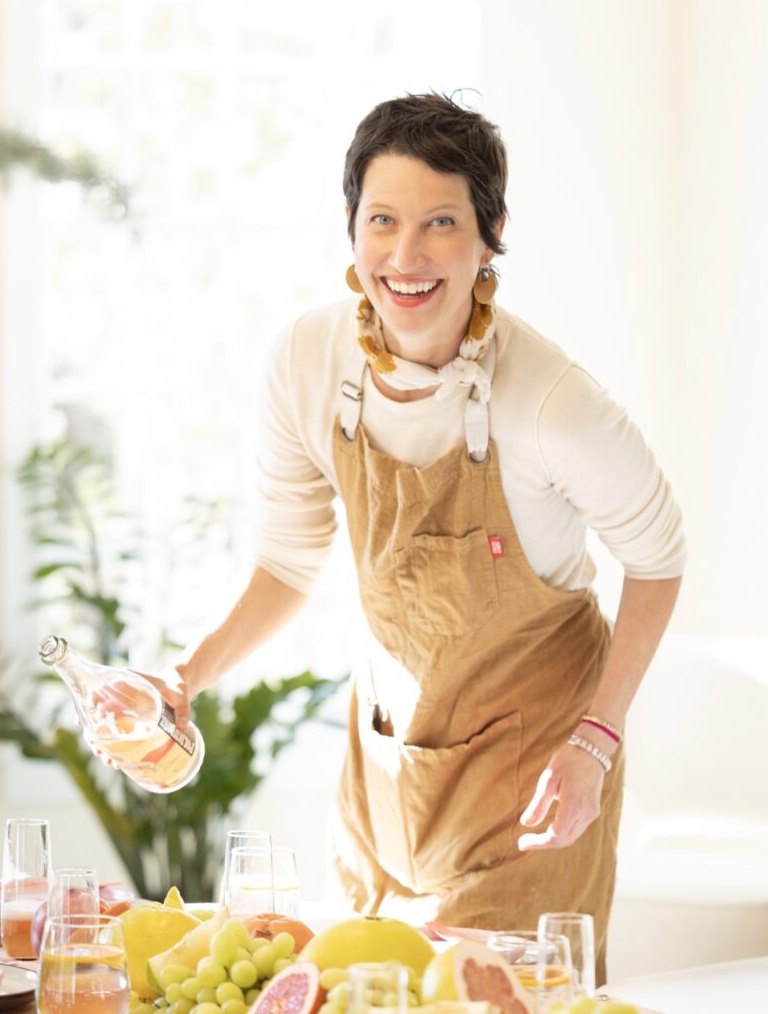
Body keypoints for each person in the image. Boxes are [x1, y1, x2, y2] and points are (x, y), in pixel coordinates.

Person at [155, 92, 686, 983]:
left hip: (531, 789)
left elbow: (659, 558)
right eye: (382, 221)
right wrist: (188, 676)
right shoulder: (305, 363)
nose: (404, 258)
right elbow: (288, 561)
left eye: (440, 222)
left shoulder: (552, 403)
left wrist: (595, 741)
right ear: (351, 227)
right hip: (386, 780)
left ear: (490, 236)